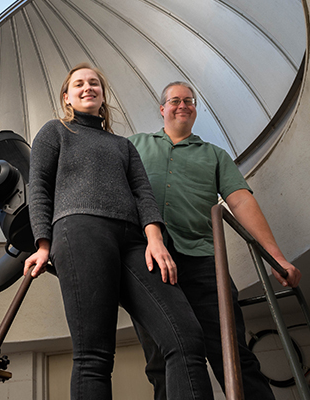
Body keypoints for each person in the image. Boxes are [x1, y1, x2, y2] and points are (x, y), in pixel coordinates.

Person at [24, 64, 214, 400]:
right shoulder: (54, 132)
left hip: (133, 242)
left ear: (102, 94)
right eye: (79, 84)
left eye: (94, 82)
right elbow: (37, 185)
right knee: (94, 355)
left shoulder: (123, 145)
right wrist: (42, 243)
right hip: (81, 231)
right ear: (66, 97)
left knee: (186, 337)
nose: (88, 87)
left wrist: (155, 240)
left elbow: (142, 192)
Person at [129, 81, 302, 400]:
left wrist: (274, 256)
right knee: (162, 361)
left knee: (233, 355)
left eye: (189, 100)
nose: (183, 105)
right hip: (150, 264)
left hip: (204, 263)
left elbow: (240, 202)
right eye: (175, 100)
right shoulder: (135, 145)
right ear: (162, 109)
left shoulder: (215, 155)